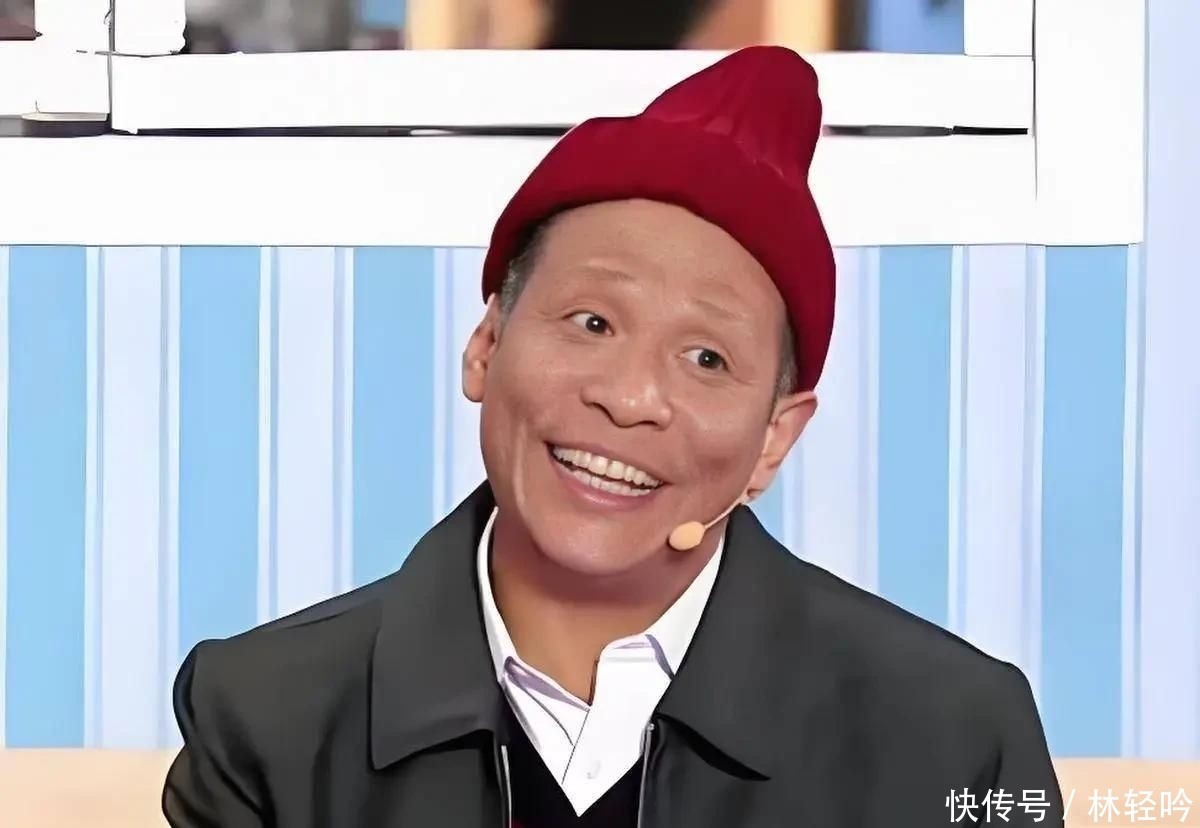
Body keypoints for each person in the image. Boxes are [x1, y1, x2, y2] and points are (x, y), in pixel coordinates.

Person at [162, 46, 1064, 827]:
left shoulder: (955, 739)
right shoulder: (269, 716)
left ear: (774, 440)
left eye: (707, 358)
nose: (632, 399)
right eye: (592, 322)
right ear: (486, 345)